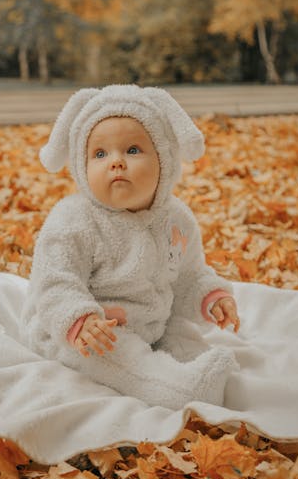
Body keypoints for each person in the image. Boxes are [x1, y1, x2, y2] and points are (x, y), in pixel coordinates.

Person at [21, 84, 240, 409]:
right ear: (82, 167)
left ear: (164, 160)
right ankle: (175, 388)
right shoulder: (73, 220)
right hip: (80, 329)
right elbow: (54, 284)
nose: (116, 162)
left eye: (133, 150)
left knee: (180, 331)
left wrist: (210, 297)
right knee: (115, 351)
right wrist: (80, 319)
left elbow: (188, 275)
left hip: (152, 319)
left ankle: (200, 367)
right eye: (100, 154)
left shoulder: (177, 218)